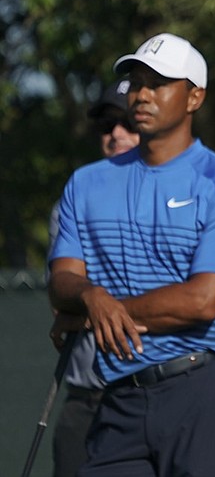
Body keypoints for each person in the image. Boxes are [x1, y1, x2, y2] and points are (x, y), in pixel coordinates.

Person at [48, 33, 215, 476]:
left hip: (202, 390)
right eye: (138, 82)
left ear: (194, 97)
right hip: (119, 395)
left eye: (159, 83)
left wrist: (97, 312)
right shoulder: (85, 183)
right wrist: (90, 297)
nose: (141, 94)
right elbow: (62, 282)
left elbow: (202, 301)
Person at [48, 81, 139, 477]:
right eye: (106, 124)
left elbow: (187, 302)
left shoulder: (183, 196)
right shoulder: (74, 198)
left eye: (126, 122)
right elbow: (63, 298)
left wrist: (87, 309)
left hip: (153, 399)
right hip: (86, 401)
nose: (115, 133)